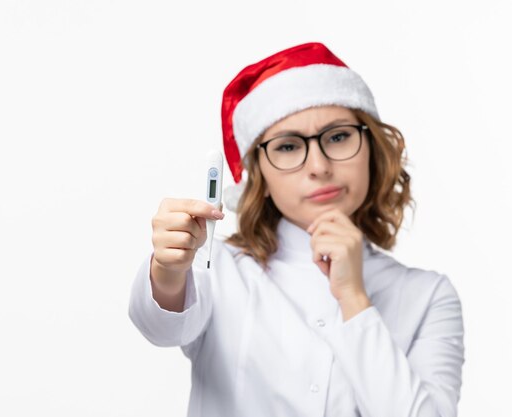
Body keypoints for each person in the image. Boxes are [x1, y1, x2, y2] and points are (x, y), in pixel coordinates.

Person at [128, 42, 464, 417]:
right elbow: (160, 326)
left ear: (372, 147)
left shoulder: (428, 296)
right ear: (260, 174)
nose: (318, 165)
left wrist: (354, 297)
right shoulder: (219, 268)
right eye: (288, 146)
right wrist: (168, 268)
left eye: (338, 137)